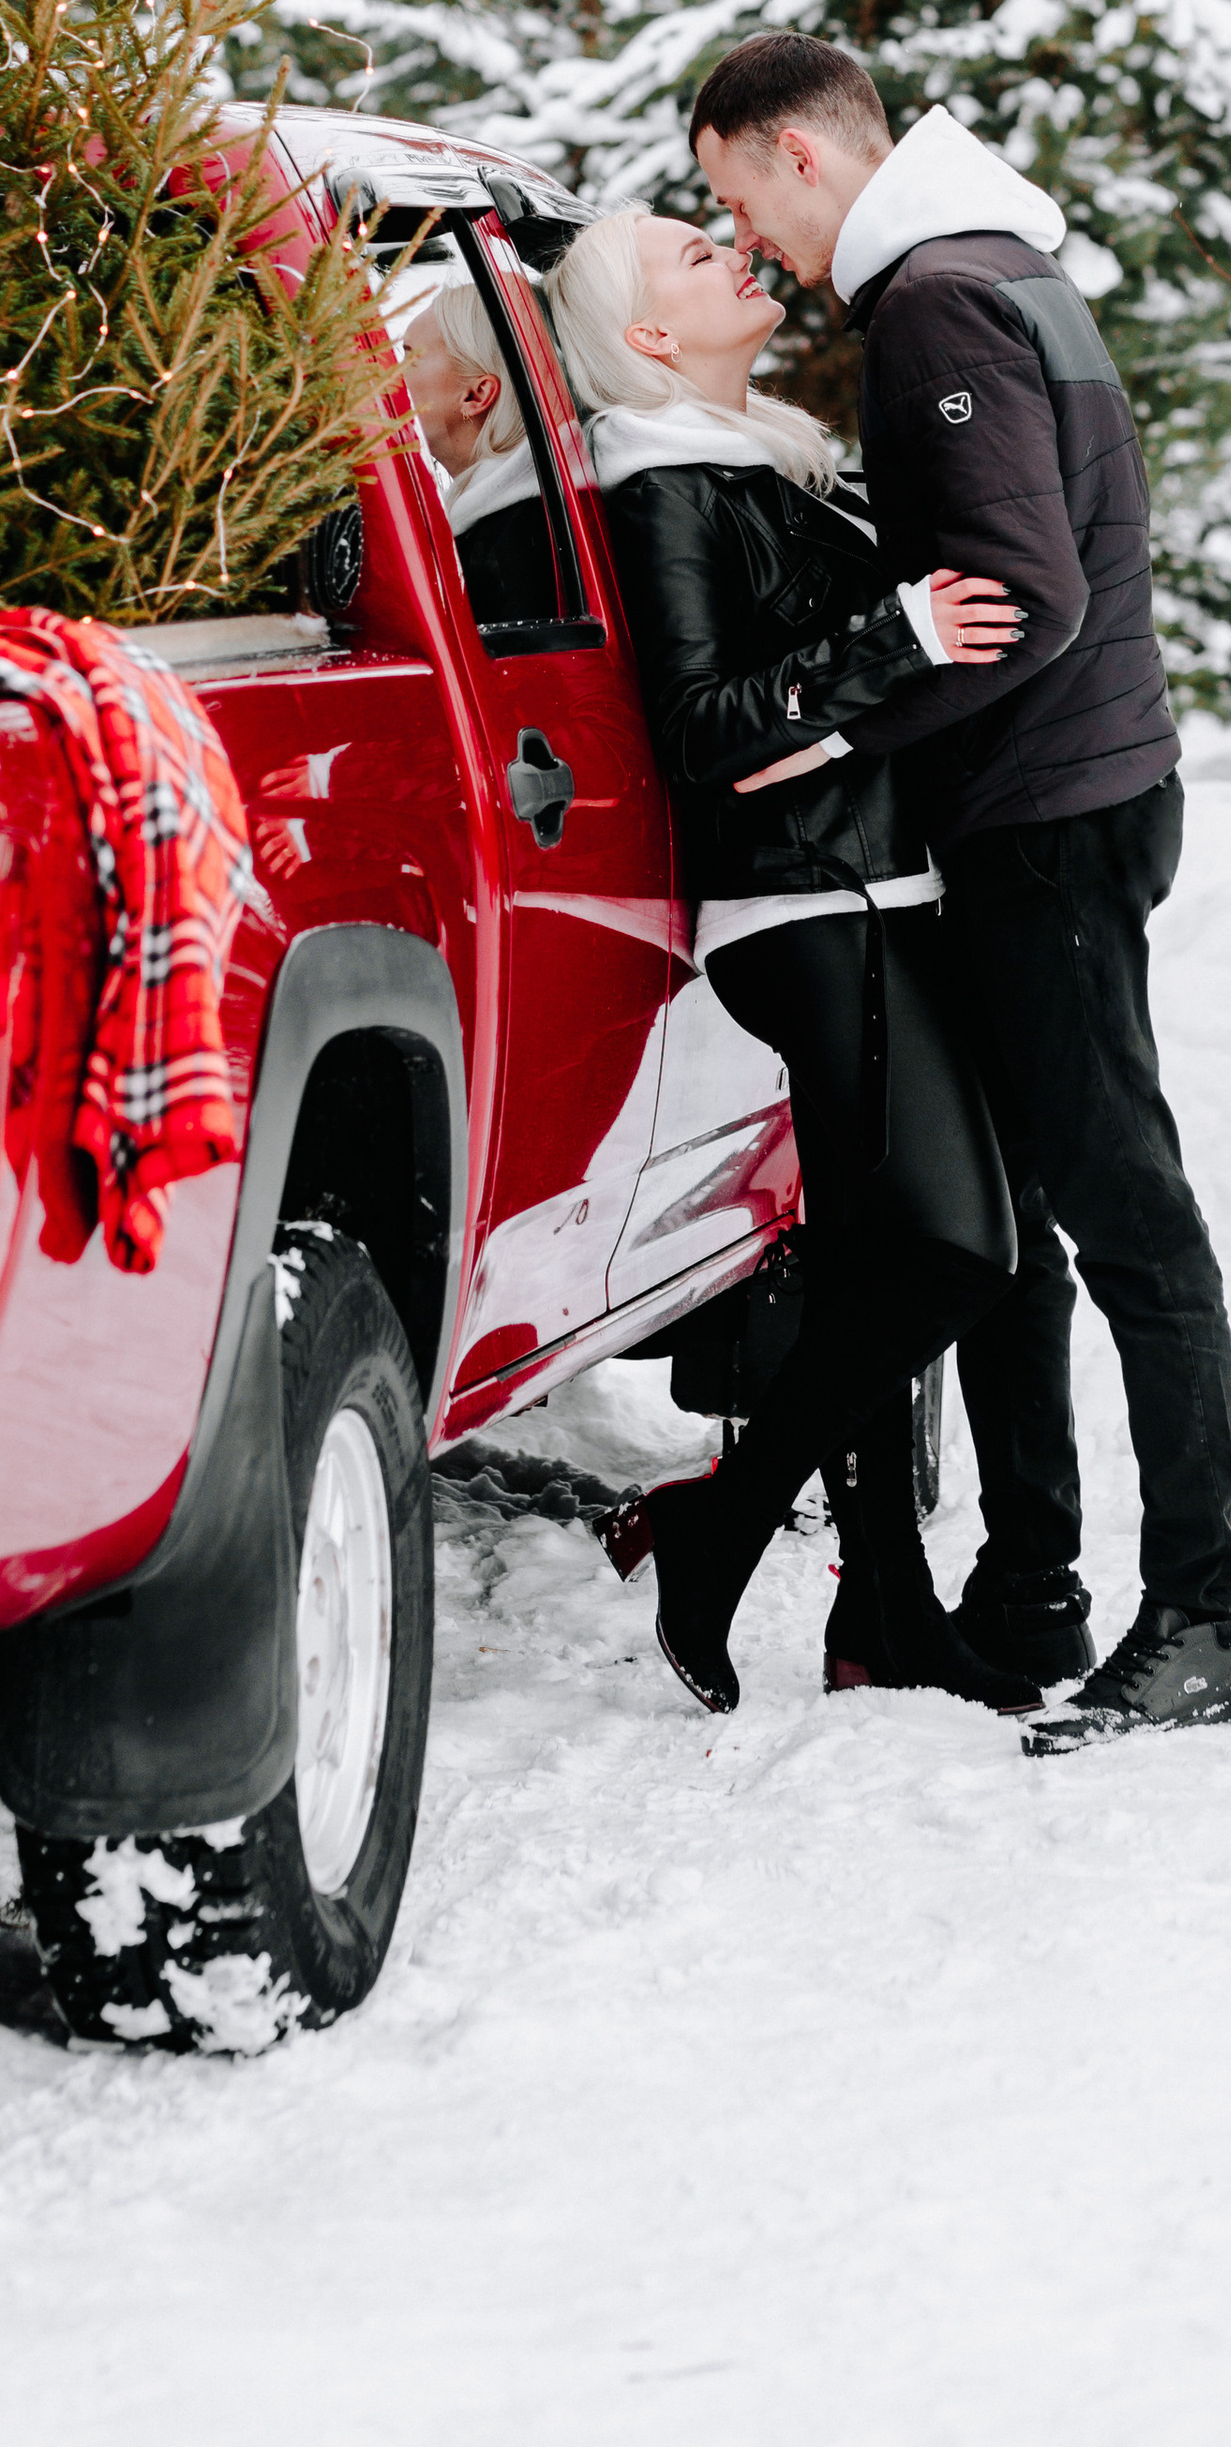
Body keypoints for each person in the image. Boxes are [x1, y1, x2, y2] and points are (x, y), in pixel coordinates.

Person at [686, 32, 1231, 1752]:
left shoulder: (937, 299)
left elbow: (1027, 589)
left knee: (1126, 1218)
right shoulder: (1011, 265)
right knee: (1023, 1231)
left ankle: (1209, 1616)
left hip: (1049, 821)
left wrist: (836, 728)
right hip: (1072, 803)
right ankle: (1031, 1599)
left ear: (797, 154)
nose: (758, 249)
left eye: (738, 200)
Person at [545, 204, 1042, 1718]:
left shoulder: (757, 456)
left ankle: (883, 1616)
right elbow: (702, 729)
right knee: (961, 1252)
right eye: (696, 260)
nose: (736, 258)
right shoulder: (662, 484)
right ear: (645, 338)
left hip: (866, 894)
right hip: (810, 913)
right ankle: (721, 1520)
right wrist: (892, 637)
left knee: (874, 1271)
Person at [399, 282, 557, 628]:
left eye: (410, 357)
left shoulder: (511, 547)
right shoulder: (531, 517)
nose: (389, 377)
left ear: (476, 394)